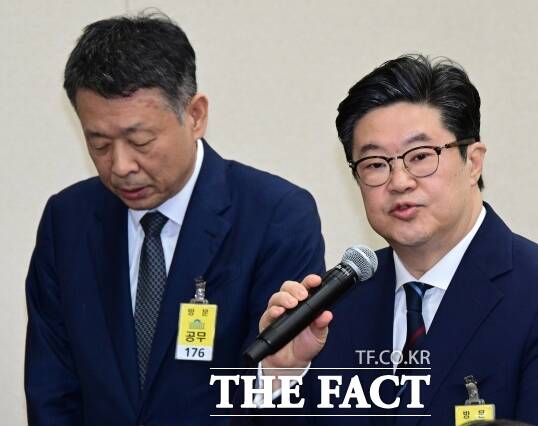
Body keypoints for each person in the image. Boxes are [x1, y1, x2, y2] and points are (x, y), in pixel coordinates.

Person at [257, 55, 538, 425]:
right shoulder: (335, 307)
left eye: (420, 156)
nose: (399, 182)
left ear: (473, 161)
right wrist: (281, 376)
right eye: (376, 163)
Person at [24, 12, 325, 426]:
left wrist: (277, 377)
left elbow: (282, 390)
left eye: (140, 141)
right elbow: (52, 391)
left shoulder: (276, 216)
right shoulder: (67, 220)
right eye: (100, 144)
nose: (121, 166)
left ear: (195, 115)